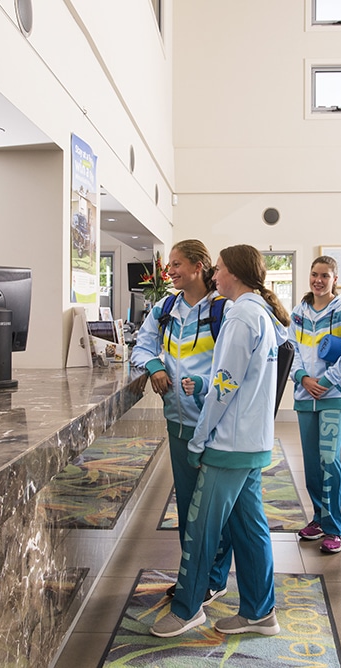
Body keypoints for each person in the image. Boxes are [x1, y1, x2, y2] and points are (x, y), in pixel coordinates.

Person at [150, 244, 290, 638]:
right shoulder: (258, 311)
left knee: (200, 528)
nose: (215, 276)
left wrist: (199, 438)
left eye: (221, 269)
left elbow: (224, 387)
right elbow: (236, 380)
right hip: (252, 441)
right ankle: (260, 611)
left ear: (236, 274)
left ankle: (187, 608)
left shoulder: (241, 315)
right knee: (249, 529)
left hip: (229, 444)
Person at [129, 239, 233, 602]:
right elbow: (141, 347)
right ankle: (193, 575)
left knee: (214, 509)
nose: (169, 271)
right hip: (177, 421)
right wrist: (155, 366)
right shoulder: (166, 307)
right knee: (188, 505)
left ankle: (215, 578)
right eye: (169, 265)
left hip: (214, 422)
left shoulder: (224, 308)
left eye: (176, 265)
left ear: (199, 266)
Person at [289, 255, 341, 555]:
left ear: (335, 279)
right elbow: (291, 348)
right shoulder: (299, 311)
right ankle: (319, 518)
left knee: (328, 458)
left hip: (334, 395)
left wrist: (329, 380)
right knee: (311, 462)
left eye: (325, 276)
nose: (318, 280)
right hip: (305, 395)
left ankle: (334, 528)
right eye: (314, 275)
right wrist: (303, 378)